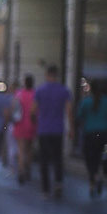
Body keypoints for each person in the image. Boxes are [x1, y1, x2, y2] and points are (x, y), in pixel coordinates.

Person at [33, 64, 73, 198]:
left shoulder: (40, 90)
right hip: (57, 129)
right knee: (57, 158)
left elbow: (33, 110)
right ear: (57, 75)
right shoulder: (64, 90)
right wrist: (71, 128)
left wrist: (36, 122)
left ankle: (45, 189)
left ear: (46, 75)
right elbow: (68, 111)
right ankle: (58, 183)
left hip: (43, 129)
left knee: (44, 159)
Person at [77, 80, 107, 197]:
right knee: (98, 156)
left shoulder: (86, 102)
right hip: (103, 134)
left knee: (90, 158)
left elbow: (79, 117)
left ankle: (93, 180)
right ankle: (97, 176)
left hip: (90, 133)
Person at [12, 74, 37, 183]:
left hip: (20, 124)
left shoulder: (19, 94)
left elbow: (13, 107)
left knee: (21, 149)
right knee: (29, 149)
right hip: (32, 124)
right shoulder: (36, 94)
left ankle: (21, 170)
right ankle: (28, 168)